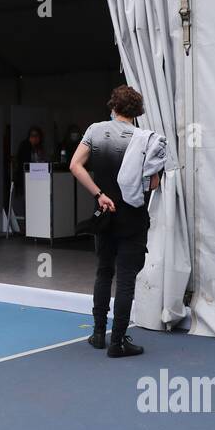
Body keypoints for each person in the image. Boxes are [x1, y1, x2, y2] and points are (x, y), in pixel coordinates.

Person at [70, 86, 158, 358]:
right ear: (138, 111)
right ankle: (118, 341)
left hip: (104, 213)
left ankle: (98, 333)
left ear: (113, 106)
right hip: (132, 216)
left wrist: (99, 194)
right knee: (126, 279)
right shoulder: (147, 139)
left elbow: (75, 165)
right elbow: (153, 183)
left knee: (103, 272)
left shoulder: (95, 131)